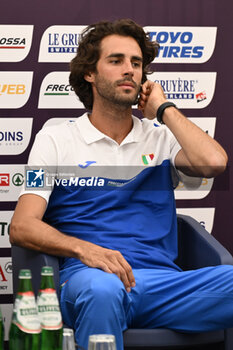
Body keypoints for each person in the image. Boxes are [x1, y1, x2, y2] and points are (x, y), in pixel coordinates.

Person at [10, 19, 232, 350]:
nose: (129, 70)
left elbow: (213, 163)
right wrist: (85, 249)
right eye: (116, 61)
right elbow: (22, 226)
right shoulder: (55, 139)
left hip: (163, 285)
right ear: (90, 73)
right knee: (103, 291)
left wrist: (164, 109)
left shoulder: (161, 136)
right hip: (90, 280)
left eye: (137, 63)